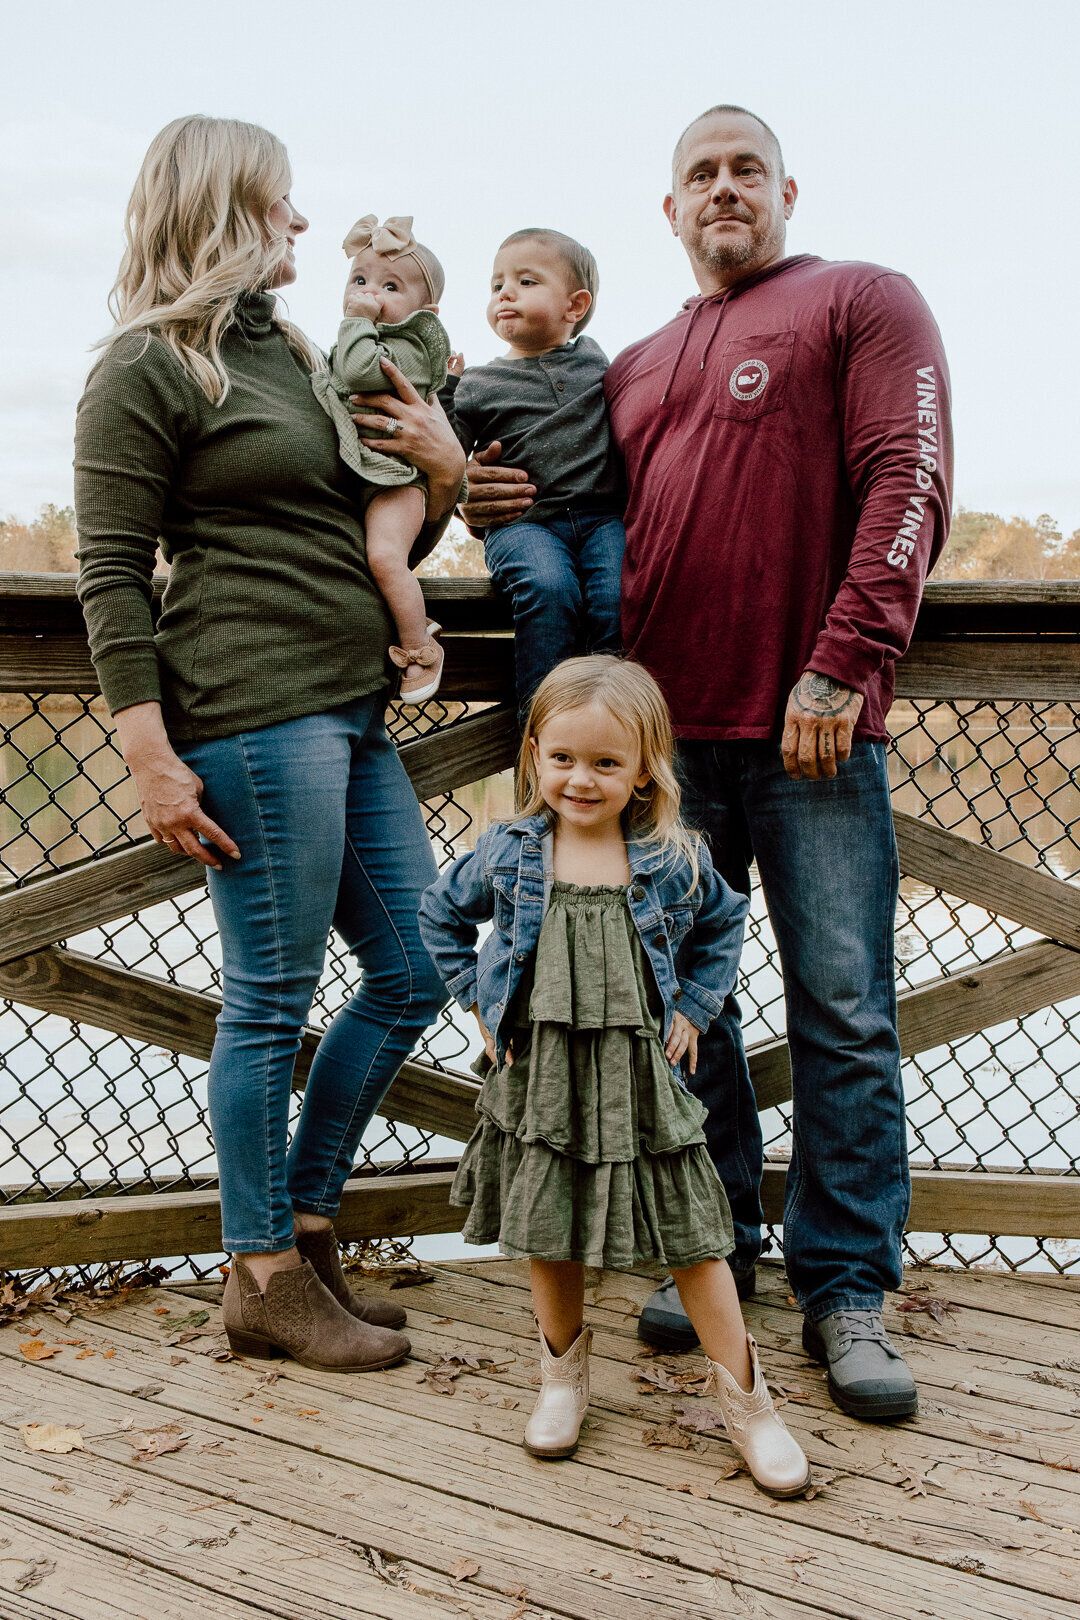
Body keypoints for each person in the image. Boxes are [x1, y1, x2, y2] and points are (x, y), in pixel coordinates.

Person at [461, 105, 953, 1423]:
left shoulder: (861, 299)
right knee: (694, 1015)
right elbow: (567, 505)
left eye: (747, 169)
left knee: (843, 1010)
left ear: (788, 189)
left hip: (812, 729)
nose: (724, 188)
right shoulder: (636, 360)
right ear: (667, 212)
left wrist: (845, 659)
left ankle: (847, 1289)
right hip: (666, 758)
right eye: (700, 174)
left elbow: (909, 478)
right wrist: (485, 497)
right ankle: (715, 1250)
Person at [74, 115, 462, 1373]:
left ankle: (301, 1227)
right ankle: (261, 1277)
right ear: (228, 209)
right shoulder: (143, 367)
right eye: (282, 203)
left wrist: (447, 476)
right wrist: (146, 752)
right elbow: (111, 577)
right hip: (249, 710)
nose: (303, 224)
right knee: (269, 1004)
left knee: (418, 966)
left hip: (351, 706)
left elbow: (379, 524)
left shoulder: (293, 354)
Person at [419, 656, 810, 1497]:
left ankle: (750, 1404)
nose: (581, 779)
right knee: (548, 1222)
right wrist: (480, 1003)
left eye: (605, 762)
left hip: (641, 1076)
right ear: (533, 755)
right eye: (562, 758)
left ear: (644, 768)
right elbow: (438, 911)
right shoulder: (510, 851)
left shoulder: (670, 858)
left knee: (698, 1232)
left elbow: (726, 920)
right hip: (544, 1074)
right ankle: (562, 1377)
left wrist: (697, 1006)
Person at [445, 230, 625, 721]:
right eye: (496, 283)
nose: (504, 292)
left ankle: (609, 728)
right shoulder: (477, 383)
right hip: (524, 524)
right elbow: (447, 451)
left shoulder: (599, 362)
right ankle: (543, 737)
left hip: (603, 516)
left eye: (525, 281)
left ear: (575, 306)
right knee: (548, 589)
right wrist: (444, 389)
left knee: (616, 598)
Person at [312, 214, 460, 701]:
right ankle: (402, 626)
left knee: (384, 555)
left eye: (391, 286)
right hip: (368, 476)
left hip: (397, 482)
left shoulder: (413, 347)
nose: (370, 293)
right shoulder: (362, 339)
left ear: (426, 312)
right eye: (360, 280)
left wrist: (356, 319)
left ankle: (419, 648)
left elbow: (354, 374)